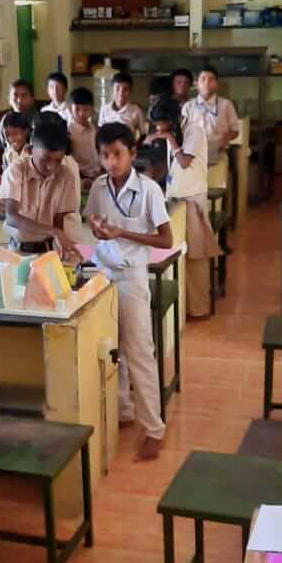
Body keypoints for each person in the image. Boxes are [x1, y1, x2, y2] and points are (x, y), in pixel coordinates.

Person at [86, 123, 173, 461]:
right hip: (103, 272)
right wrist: (98, 229)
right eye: (105, 155)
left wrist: (122, 233)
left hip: (132, 276)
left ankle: (154, 429)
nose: (111, 162)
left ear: (133, 154)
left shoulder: (148, 189)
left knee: (139, 352)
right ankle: (123, 410)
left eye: (117, 154)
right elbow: (92, 221)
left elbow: (165, 239)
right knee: (111, 347)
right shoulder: (98, 187)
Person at [147, 97, 219, 319]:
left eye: (161, 124)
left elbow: (185, 162)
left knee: (196, 256)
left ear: (172, 120)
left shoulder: (193, 130)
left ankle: (199, 308)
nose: (158, 129)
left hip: (192, 199)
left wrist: (168, 138)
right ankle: (184, 309)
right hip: (176, 199)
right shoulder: (176, 134)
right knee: (180, 256)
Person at [0, 114, 81, 259]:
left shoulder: (65, 175)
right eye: (45, 159)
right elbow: (11, 216)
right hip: (18, 251)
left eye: (58, 161)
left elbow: (58, 220)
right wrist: (53, 232)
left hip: (47, 250)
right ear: (30, 150)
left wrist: (57, 240)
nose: (51, 167)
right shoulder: (16, 170)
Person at [182, 64, 240, 165]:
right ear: (196, 84)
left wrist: (226, 137)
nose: (207, 83)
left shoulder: (226, 104)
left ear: (217, 84)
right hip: (193, 155)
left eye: (211, 79)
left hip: (218, 154)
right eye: (203, 79)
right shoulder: (188, 106)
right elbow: (182, 132)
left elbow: (235, 130)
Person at [98, 72, 147, 145]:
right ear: (112, 89)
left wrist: (134, 147)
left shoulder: (136, 110)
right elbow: (100, 131)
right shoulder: (104, 108)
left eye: (125, 89)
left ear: (130, 91)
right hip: (108, 149)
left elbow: (143, 134)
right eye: (117, 88)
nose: (121, 93)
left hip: (126, 150)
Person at [67, 86, 100, 184]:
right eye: (77, 109)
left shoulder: (94, 129)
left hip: (97, 176)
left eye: (86, 109)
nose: (81, 113)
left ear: (92, 109)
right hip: (80, 178)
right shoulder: (68, 132)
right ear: (70, 109)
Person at [0, 79, 38, 150]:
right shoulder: (5, 119)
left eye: (24, 96)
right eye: (15, 95)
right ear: (9, 99)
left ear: (32, 99)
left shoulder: (38, 120)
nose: (19, 101)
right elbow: (1, 144)